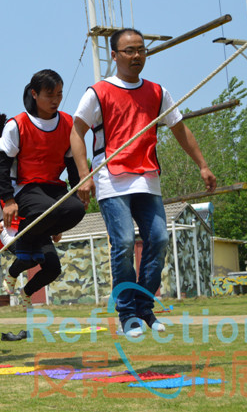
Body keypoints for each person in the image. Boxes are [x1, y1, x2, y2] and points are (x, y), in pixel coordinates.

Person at [70, 28, 216, 337]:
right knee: (122, 242)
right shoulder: (99, 91)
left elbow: (180, 130)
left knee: (160, 239)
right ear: (115, 55)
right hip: (112, 178)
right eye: (129, 51)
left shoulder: (158, 92)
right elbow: (76, 131)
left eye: (141, 50)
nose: (137, 56)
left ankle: (143, 307)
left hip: (147, 179)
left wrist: (203, 165)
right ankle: (127, 315)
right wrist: (85, 176)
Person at [0, 71, 86, 307]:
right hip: (26, 189)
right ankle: (19, 240)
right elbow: (1, 166)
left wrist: (78, 190)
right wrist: (9, 200)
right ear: (34, 94)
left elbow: (71, 164)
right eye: (50, 94)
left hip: (53, 186)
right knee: (47, 210)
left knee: (76, 209)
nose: (56, 99)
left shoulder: (67, 123)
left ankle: (39, 235)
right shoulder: (17, 125)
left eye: (60, 94)